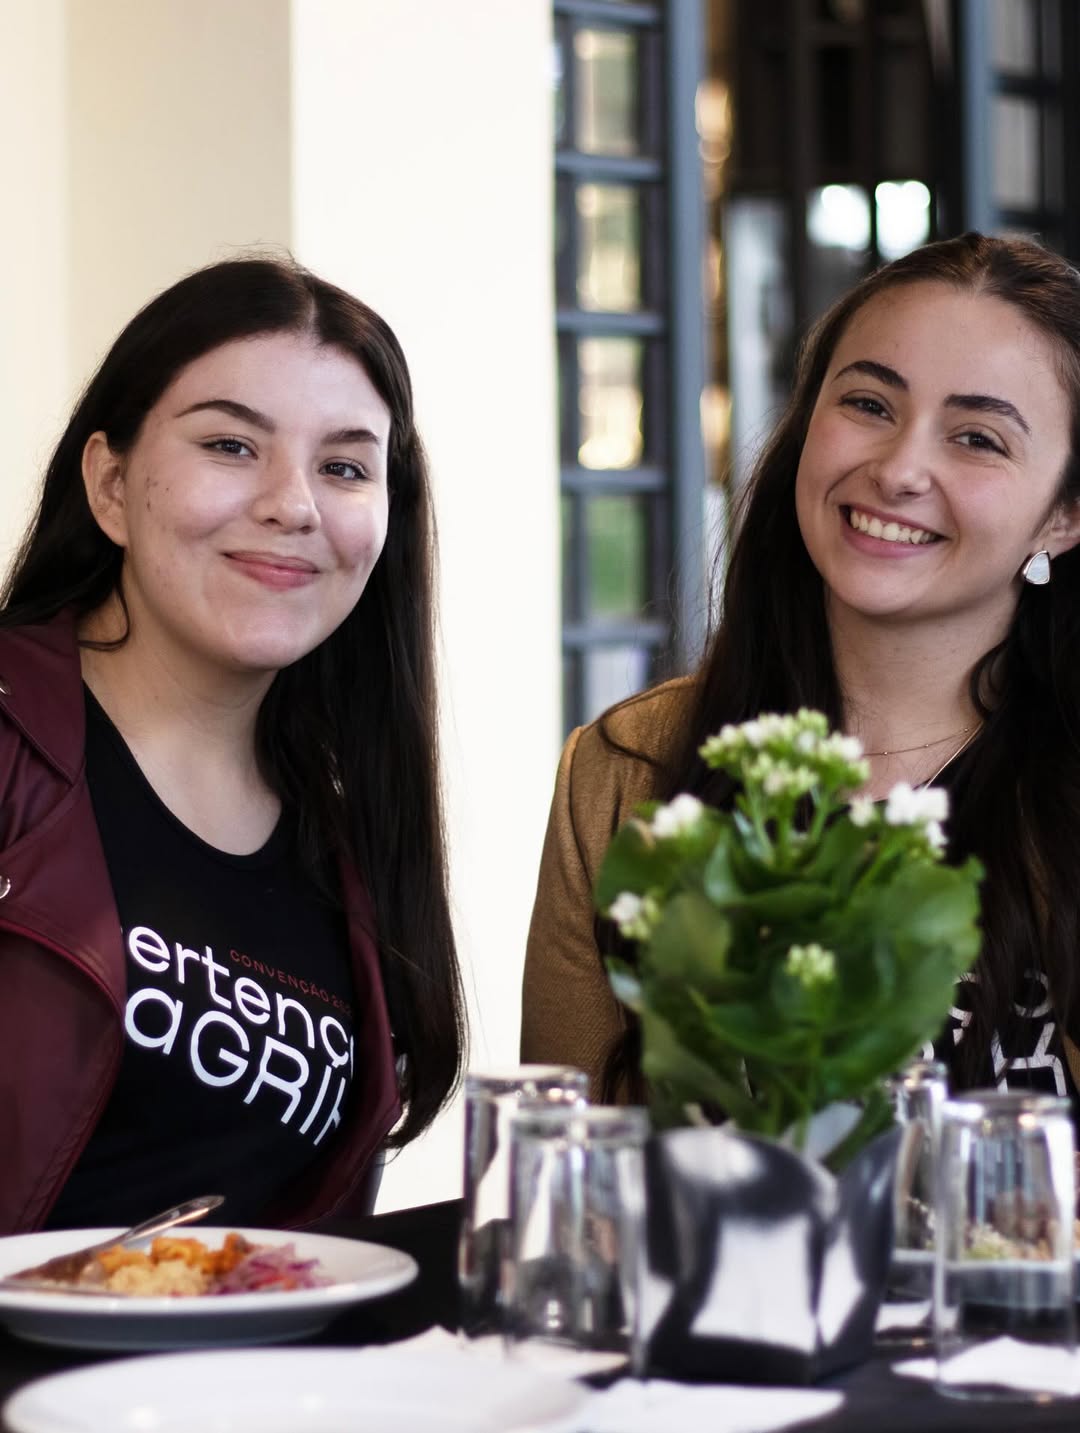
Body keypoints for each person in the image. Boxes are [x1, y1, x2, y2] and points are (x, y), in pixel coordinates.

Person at [522, 231, 1080, 1107]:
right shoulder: (631, 771)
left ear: (1064, 515)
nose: (899, 469)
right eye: (868, 403)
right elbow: (570, 1172)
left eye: (976, 437)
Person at [0, 257, 465, 1234]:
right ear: (112, 484)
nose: (294, 504)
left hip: (270, 1387)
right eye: (231, 444)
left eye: (344, 466)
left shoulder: (347, 825)